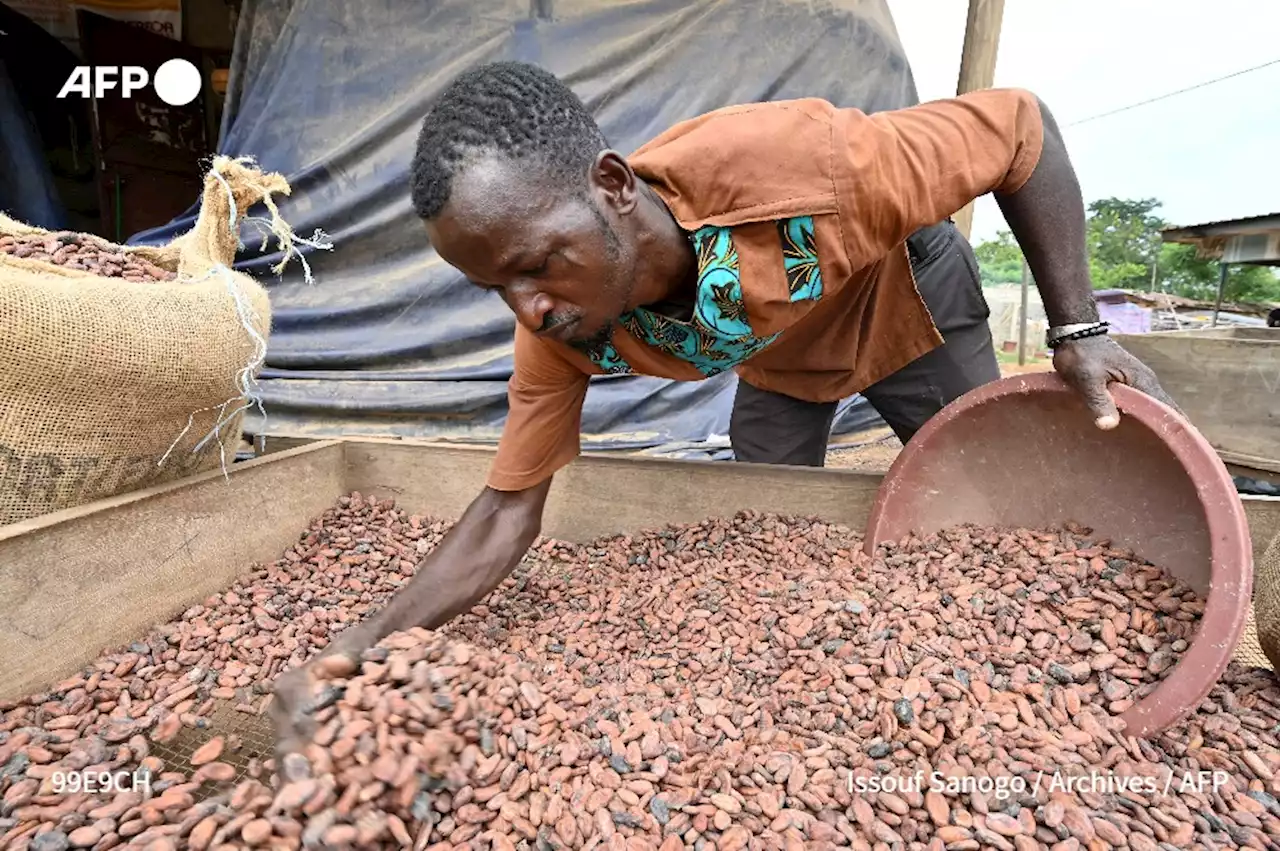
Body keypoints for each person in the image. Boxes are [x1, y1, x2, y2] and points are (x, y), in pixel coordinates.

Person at [271, 61, 1175, 750]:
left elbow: (1021, 128)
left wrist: (1077, 327)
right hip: (779, 349)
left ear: (615, 187)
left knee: (1005, 497)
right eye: (495, 287)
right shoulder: (558, 330)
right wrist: (359, 642)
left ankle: (1028, 679)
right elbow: (510, 509)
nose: (529, 307)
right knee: (765, 539)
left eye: (540, 262)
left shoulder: (810, 164)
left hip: (904, 300)